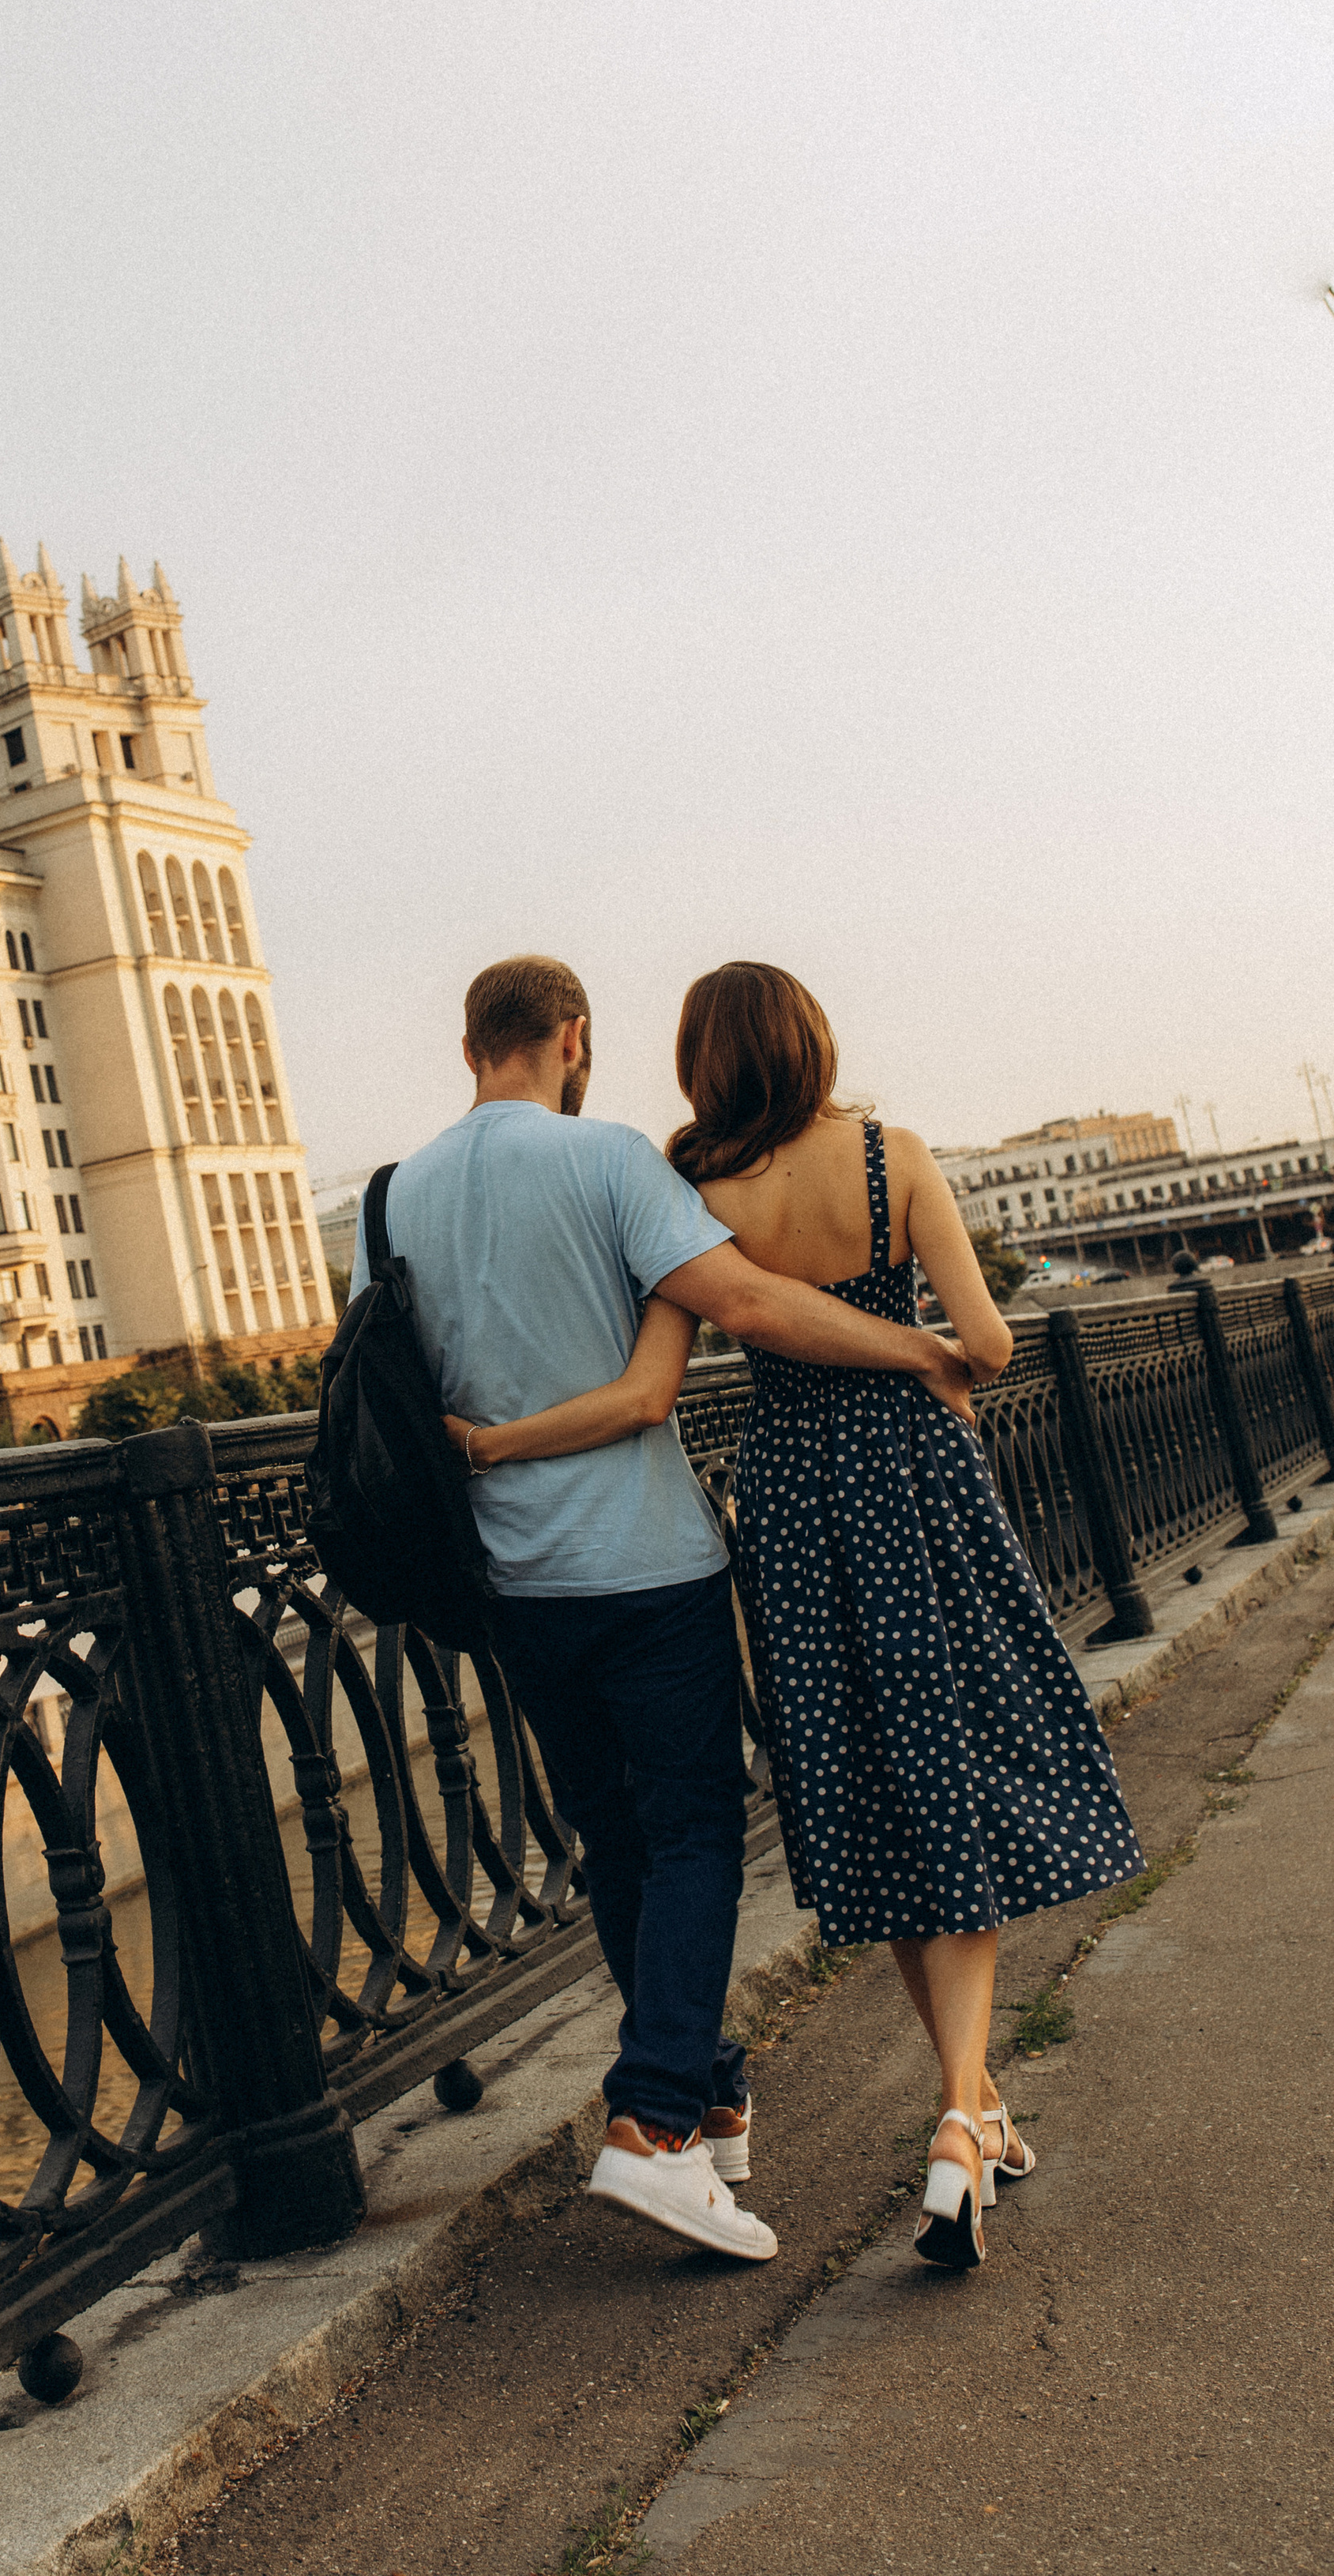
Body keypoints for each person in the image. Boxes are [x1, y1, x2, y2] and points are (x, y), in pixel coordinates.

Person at [452, 961, 1144, 2274]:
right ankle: (961, 2122)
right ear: (815, 1041)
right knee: (958, 1767)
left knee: (880, 1784)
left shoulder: (692, 1188)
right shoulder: (894, 1157)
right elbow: (990, 1345)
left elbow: (657, 1379)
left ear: (699, 1062)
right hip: (915, 1480)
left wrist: (491, 1443)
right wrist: (931, 1353)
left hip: (790, 1499)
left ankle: (977, 2108)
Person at [355, 955, 977, 2265]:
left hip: (511, 1579)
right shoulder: (611, 1161)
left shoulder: (391, 1197)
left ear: (470, 1047)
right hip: (642, 1562)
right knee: (695, 1834)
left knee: (618, 1843)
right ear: (573, 1039)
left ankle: (707, 2094)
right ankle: (651, 2126)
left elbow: (395, 1386)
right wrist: (922, 1348)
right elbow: (741, 1302)